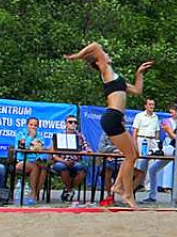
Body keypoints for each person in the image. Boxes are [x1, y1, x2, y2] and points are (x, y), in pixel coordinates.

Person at [65, 42, 152, 208]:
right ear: (98, 62)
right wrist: (77, 56)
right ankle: (125, 192)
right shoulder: (106, 71)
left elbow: (137, 90)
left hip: (115, 118)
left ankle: (120, 187)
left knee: (134, 154)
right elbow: (96, 46)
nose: (105, 54)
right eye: (104, 54)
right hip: (111, 117)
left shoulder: (117, 78)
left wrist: (139, 73)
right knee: (130, 156)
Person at [49, 114, 91, 205]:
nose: (73, 124)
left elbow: (87, 149)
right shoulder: (59, 135)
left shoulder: (80, 136)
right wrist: (63, 161)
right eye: (70, 122)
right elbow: (53, 154)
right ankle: (69, 190)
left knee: (83, 169)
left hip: (75, 162)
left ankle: (68, 190)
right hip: (60, 161)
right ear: (66, 124)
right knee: (62, 167)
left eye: (75, 122)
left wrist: (87, 151)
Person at [142, 106, 177, 204]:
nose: (171, 114)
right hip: (170, 146)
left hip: (176, 149)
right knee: (152, 169)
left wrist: (168, 131)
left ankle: (154, 152)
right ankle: (152, 195)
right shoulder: (170, 121)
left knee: (163, 153)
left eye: (173, 112)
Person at [15, 116, 48, 206]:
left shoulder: (40, 137)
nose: (33, 127)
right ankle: (33, 193)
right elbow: (20, 148)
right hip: (21, 161)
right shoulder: (20, 134)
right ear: (27, 125)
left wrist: (41, 154)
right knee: (35, 167)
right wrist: (30, 137)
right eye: (31, 125)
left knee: (44, 168)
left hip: (35, 161)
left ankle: (36, 193)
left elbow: (42, 149)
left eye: (35, 125)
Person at [131, 98, 160, 194]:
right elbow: (135, 131)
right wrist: (134, 143)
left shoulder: (155, 117)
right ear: (145, 106)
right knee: (141, 162)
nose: (152, 106)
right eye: (150, 104)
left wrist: (157, 142)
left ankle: (148, 186)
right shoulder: (139, 116)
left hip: (152, 140)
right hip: (141, 139)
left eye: (153, 105)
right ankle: (139, 183)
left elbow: (157, 131)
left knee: (152, 163)